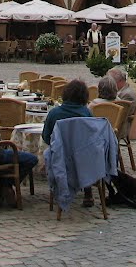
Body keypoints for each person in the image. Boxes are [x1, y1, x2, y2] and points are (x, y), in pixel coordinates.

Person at [42, 79, 95, 207]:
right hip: (82, 157)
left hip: (61, 158)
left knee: (49, 152)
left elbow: (46, 136)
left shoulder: (54, 113)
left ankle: (58, 187)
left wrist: (58, 145)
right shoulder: (86, 113)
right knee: (85, 156)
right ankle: (88, 191)